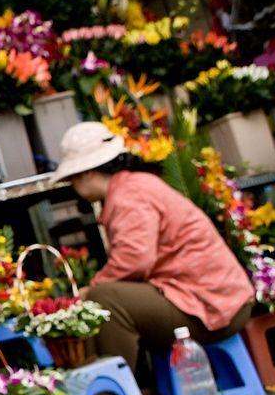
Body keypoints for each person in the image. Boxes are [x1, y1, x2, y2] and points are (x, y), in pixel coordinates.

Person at [53, 121, 255, 369]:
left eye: (72, 179)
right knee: (107, 296)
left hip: (211, 306)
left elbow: (135, 259)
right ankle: (124, 389)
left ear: (86, 173)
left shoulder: (129, 195)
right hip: (208, 299)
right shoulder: (132, 186)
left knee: (105, 299)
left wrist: (91, 288)